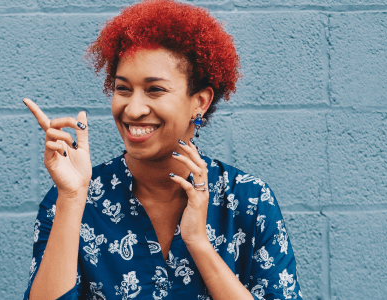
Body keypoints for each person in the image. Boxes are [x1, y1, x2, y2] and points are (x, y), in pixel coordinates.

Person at [22, 0, 303, 299]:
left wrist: (198, 243)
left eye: (155, 89)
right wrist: (71, 198)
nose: (134, 108)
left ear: (200, 102)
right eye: (123, 89)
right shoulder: (72, 199)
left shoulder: (249, 200)